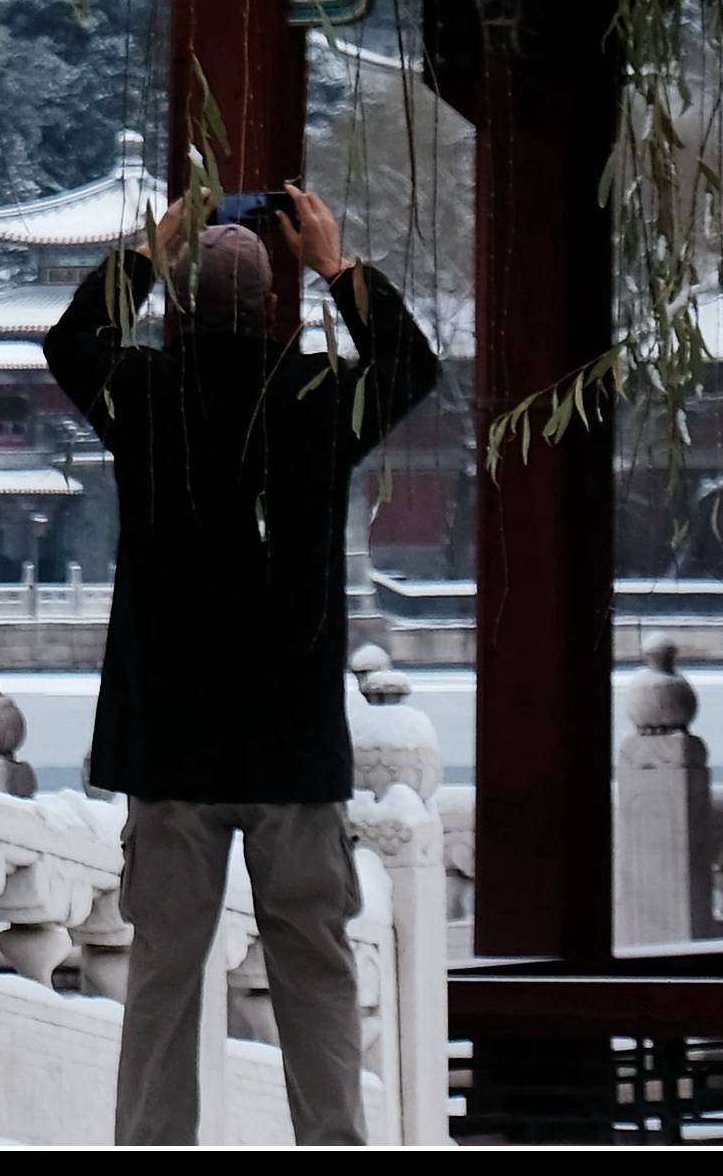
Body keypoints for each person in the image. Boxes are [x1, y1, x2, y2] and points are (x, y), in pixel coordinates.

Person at [49, 178, 439, 1148]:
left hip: (172, 752)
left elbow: (71, 345)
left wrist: (148, 249)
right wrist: (337, 265)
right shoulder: (314, 397)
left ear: (182, 301)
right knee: (314, 970)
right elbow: (411, 362)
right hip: (293, 752)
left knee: (165, 973)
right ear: (272, 300)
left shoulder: (144, 393)